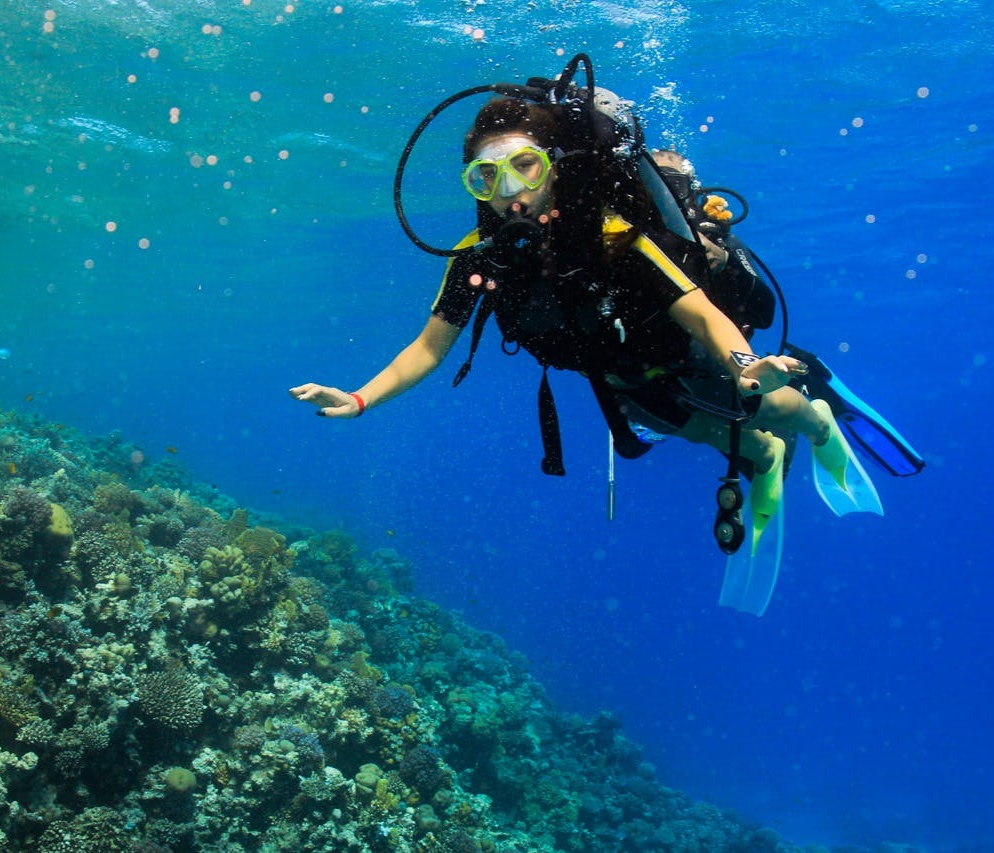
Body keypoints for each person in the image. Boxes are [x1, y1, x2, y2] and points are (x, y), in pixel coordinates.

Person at [291, 72, 909, 614]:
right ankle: (764, 455)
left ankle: (818, 419)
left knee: (765, 404)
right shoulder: (477, 260)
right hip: (620, 378)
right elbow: (428, 348)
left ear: (554, 164)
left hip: (682, 352)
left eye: (523, 165)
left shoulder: (618, 239)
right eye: (486, 176)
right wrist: (361, 398)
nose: (508, 191)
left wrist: (749, 365)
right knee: (692, 429)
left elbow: (701, 317)